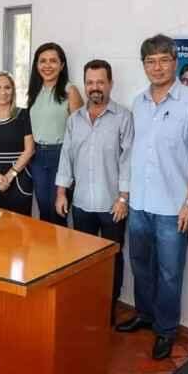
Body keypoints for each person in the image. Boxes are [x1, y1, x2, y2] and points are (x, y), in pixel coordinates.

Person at [116, 35, 188, 361]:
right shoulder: (138, 102)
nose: (157, 67)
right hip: (140, 203)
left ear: (175, 61)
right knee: (140, 264)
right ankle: (144, 313)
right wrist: (125, 197)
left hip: (173, 208)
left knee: (170, 272)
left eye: (163, 60)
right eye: (150, 61)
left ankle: (166, 329)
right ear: (144, 66)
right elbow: (131, 154)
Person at [54, 59, 133, 323]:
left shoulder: (123, 117)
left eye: (100, 82)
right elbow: (66, 156)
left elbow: (128, 160)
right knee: (82, 260)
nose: (95, 87)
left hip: (113, 206)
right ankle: (85, 306)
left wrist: (124, 198)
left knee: (112, 260)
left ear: (110, 83)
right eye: (90, 82)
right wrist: (61, 192)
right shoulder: (74, 120)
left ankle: (107, 310)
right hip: (81, 203)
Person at [27, 42, 83, 225]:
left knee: (58, 211)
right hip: (36, 156)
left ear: (62, 65)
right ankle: (47, 253)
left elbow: (79, 133)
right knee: (44, 210)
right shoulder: (34, 92)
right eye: (42, 61)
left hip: (61, 156)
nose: (47, 65)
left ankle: (61, 252)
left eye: (53, 61)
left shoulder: (70, 91)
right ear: (36, 65)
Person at [0, 71, 35, 215]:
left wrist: (10, 175)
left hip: (19, 177)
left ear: (13, 91)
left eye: (7, 87)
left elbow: (30, 149)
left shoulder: (23, 115)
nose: (3, 92)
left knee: (20, 227)